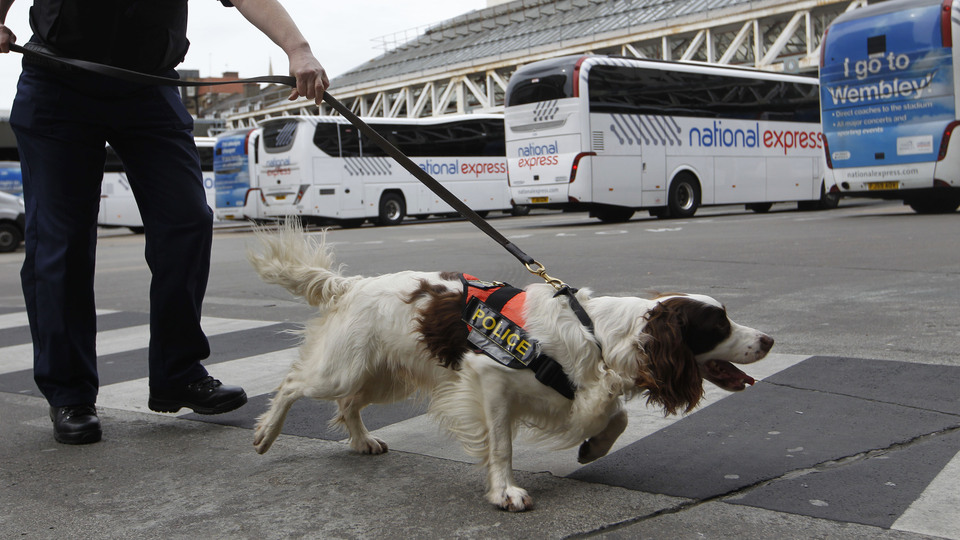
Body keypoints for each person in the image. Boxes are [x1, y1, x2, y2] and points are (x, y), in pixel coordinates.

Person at [0, 0, 329, 445]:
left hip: (149, 85)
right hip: (59, 77)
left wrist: (298, 48)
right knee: (62, 242)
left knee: (187, 220)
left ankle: (178, 372)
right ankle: (69, 392)